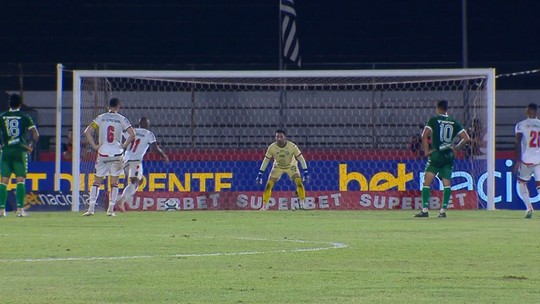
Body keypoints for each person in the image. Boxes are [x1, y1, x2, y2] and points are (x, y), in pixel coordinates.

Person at [415, 100, 470, 218]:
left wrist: (426, 151)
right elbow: (466, 138)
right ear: (446, 109)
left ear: (437, 108)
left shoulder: (434, 121)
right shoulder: (454, 122)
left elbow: (424, 135)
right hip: (448, 156)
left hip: (436, 154)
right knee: (446, 183)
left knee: (427, 182)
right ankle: (442, 211)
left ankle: (425, 210)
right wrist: (456, 147)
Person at [83, 98, 135, 217]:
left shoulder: (101, 117)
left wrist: (95, 146)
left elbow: (87, 132)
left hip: (103, 153)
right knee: (114, 183)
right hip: (117, 153)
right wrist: (124, 145)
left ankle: (91, 209)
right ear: (118, 106)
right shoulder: (122, 119)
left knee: (97, 182)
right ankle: (110, 210)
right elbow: (132, 134)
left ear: (108, 106)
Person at [116, 117, 169, 212]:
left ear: (139, 123)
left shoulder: (132, 131)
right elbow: (154, 149)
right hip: (135, 161)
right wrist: (163, 156)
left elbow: (120, 136)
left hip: (126, 160)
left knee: (139, 181)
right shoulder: (149, 134)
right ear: (148, 125)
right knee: (135, 182)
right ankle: (121, 201)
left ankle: (122, 198)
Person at [0, 94, 39, 217]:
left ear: (9, 104)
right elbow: (35, 134)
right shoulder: (25, 117)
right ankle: (20, 210)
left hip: (6, 151)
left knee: (4, 181)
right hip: (20, 151)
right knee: (20, 180)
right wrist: (30, 146)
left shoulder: (2, 116)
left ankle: (1, 211)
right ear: (20, 104)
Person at [256, 129, 309, 211]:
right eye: (277, 137)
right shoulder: (272, 147)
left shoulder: (292, 146)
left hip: (291, 166)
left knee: (299, 183)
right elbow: (266, 160)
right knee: (268, 185)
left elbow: (301, 159)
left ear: (285, 137)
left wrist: (305, 171)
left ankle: (302, 204)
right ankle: (264, 206)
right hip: (278, 166)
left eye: (281, 136)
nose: (279, 138)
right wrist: (260, 174)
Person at [514, 103, 540, 219]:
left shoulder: (521, 125)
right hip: (539, 159)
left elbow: (518, 142)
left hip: (526, 159)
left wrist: (517, 160)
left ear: (528, 111)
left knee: (521, 183)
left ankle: (529, 207)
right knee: (539, 185)